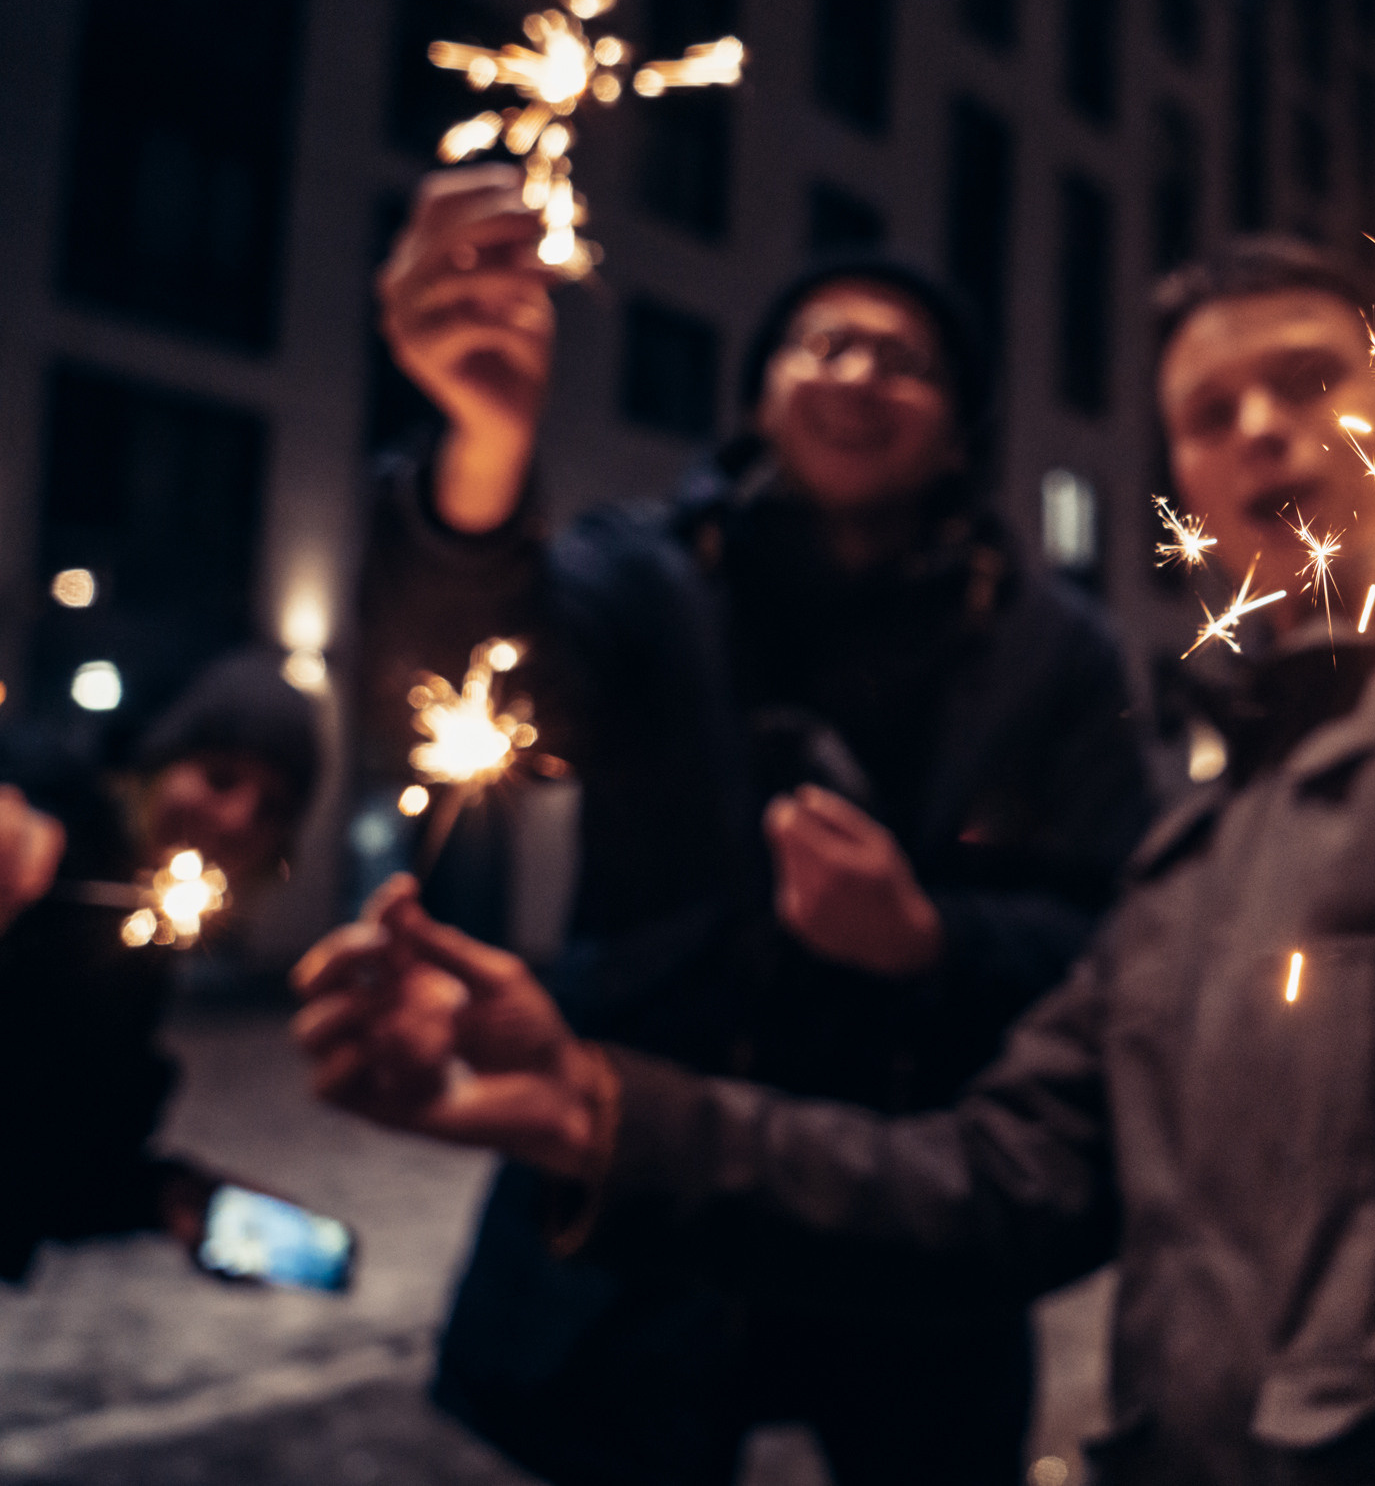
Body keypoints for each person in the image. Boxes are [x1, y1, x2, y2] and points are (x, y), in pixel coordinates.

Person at [304, 238, 1375, 1484]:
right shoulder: (1186, 850)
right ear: (1186, 486)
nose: (1262, 427)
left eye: (1311, 381)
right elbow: (992, 1178)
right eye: (1210, 412)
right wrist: (588, 1107)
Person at [352, 164, 1154, 1486]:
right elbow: (474, 676)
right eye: (820, 343)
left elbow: (1107, 930)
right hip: (640, 1187)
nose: (856, 373)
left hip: (912, 1217)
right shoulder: (647, 570)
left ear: (960, 431)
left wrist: (927, 939)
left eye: (903, 359)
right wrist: (483, 450)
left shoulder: (1050, 646)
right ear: (760, 395)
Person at [2, 649, 321, 1279]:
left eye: (271, 810)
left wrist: (169, 1200)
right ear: (159, 765)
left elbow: (40, 1170)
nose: (237, 819)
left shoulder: (138, 959)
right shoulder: (50, 828)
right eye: (220, 778)